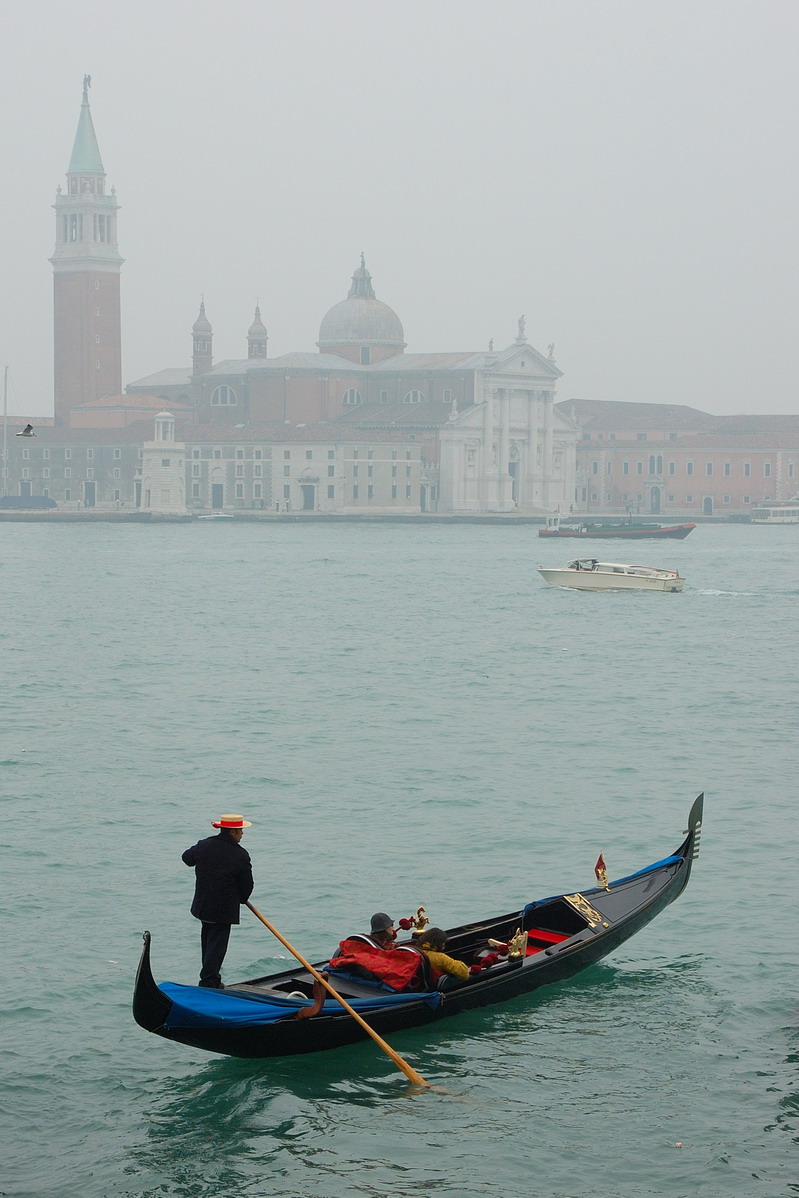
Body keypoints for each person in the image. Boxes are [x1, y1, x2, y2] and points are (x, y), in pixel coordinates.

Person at [182, 813, 254, 988]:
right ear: (233, 832)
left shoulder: (204, 845)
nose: (242, 834)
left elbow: (187, 858)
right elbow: (247, 885)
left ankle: (210, 978)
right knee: (217, 946)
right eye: (241, 831)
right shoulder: (240, 855)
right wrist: (242, 899)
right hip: (223, 909)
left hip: (203, 905)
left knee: (208, 941)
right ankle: (209, 982)